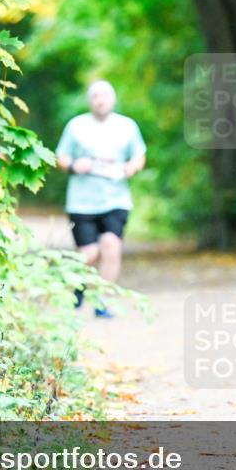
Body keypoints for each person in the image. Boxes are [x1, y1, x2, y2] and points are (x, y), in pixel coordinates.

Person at [56, 80, 146, 318]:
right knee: (89, 253)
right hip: (82, 202)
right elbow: (61, 157)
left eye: (105, 95)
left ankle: (102, 300)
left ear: (113, 99)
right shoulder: (76, 126)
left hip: (116, 199)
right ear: (90, 100)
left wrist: (131, 168)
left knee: (111, 246)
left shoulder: (127, 126)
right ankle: (78, 286)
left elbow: (139, 156)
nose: (100, 99)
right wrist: (75, 165)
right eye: (95, 95)